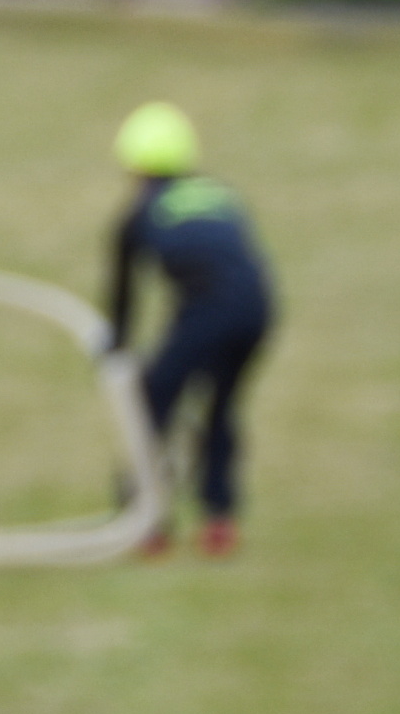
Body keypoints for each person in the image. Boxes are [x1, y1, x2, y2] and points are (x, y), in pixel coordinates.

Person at [101, 97, 277, 555]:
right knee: (221, 407)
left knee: (152, 401)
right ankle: (220, 521)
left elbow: (125, 296)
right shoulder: (219, 193)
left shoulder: (138, 215)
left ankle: (146, 520)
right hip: (259, 308)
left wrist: (116, 346)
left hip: (207, 311)